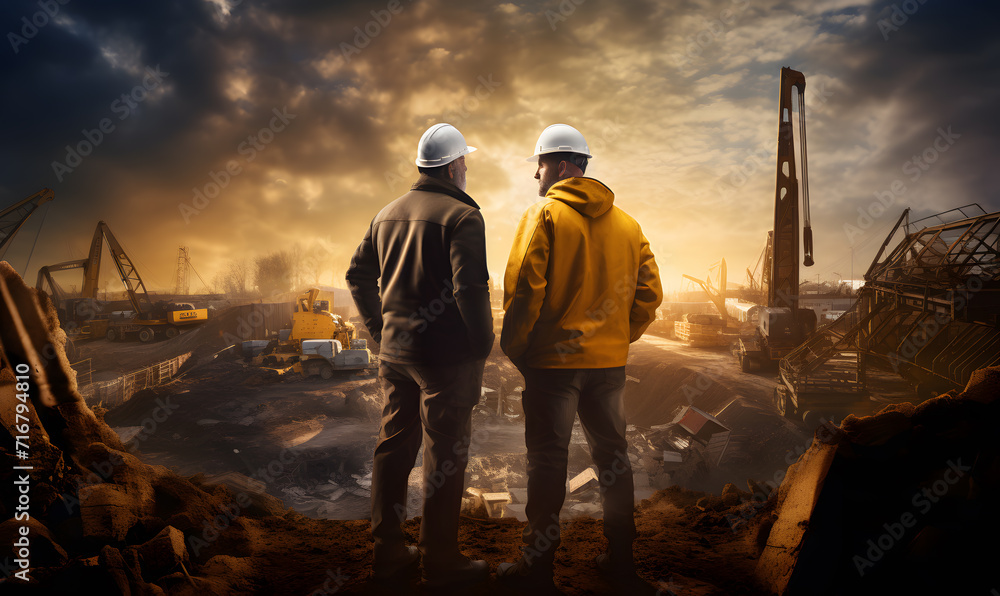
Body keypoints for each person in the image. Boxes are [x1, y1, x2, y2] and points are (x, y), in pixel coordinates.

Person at [496, 124, 663, 589]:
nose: (536, 175)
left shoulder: (543, 215)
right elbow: (650, 293)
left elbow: (524, 292)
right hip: (607, 366)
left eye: (541, 164)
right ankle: (622, 565)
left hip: (552, 366)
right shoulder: (629, 225)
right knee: (613, 459)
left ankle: (538, 568)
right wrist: (616, 338)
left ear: (564, 165)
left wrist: (519, 351)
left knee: (548, 462)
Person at [346, 123, 494, 587]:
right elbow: (470, 288)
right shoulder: (463, 218)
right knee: (445, 453)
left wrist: (378, 330)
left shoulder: (386, 214)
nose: (466, 169)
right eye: (465, 163)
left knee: (393, 445)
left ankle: (388, 551)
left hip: (396, 354)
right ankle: (442, 558)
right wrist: (481, 344)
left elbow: (356, 276)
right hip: (445, 360)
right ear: (453, 167)